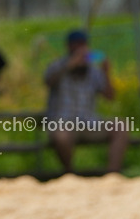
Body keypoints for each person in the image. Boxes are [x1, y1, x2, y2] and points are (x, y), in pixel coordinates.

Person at [44, 30, 130, 174]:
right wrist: (69, 66)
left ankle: (113, 174)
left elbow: (110, 97)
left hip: (89, 123)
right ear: (69, 47)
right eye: (76, 46)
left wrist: (106, 73)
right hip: (63, 123)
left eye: (83, 46)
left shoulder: (93, 72)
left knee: (120, 126)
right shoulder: (57, 66)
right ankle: (70, 173)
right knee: (61, 135)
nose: (81, 51)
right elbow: (48, 82)